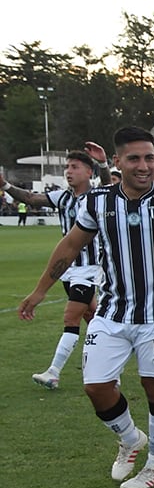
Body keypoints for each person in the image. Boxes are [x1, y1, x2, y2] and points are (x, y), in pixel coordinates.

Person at [19, 128, 154, 488]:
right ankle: (129, 438)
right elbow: (69, 247)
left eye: (150, 158)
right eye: (135, 159)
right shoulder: (97, 202)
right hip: (111, 312)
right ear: (118, 162)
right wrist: (40, 291)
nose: (144, 166)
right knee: (96, 387)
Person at [3, 147, 104, 390]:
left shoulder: (98, 196)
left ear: (89, 172)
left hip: (89, 269)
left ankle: (53, 372)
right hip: (69, 270)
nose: (68, 172)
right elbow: (30, 198)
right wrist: (5, 186)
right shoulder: (64, 197)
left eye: (74, 167)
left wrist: (104, 165)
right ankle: (109, 365)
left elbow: (111, 188)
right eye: (67, 167)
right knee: (95, 318)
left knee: (71, 318)